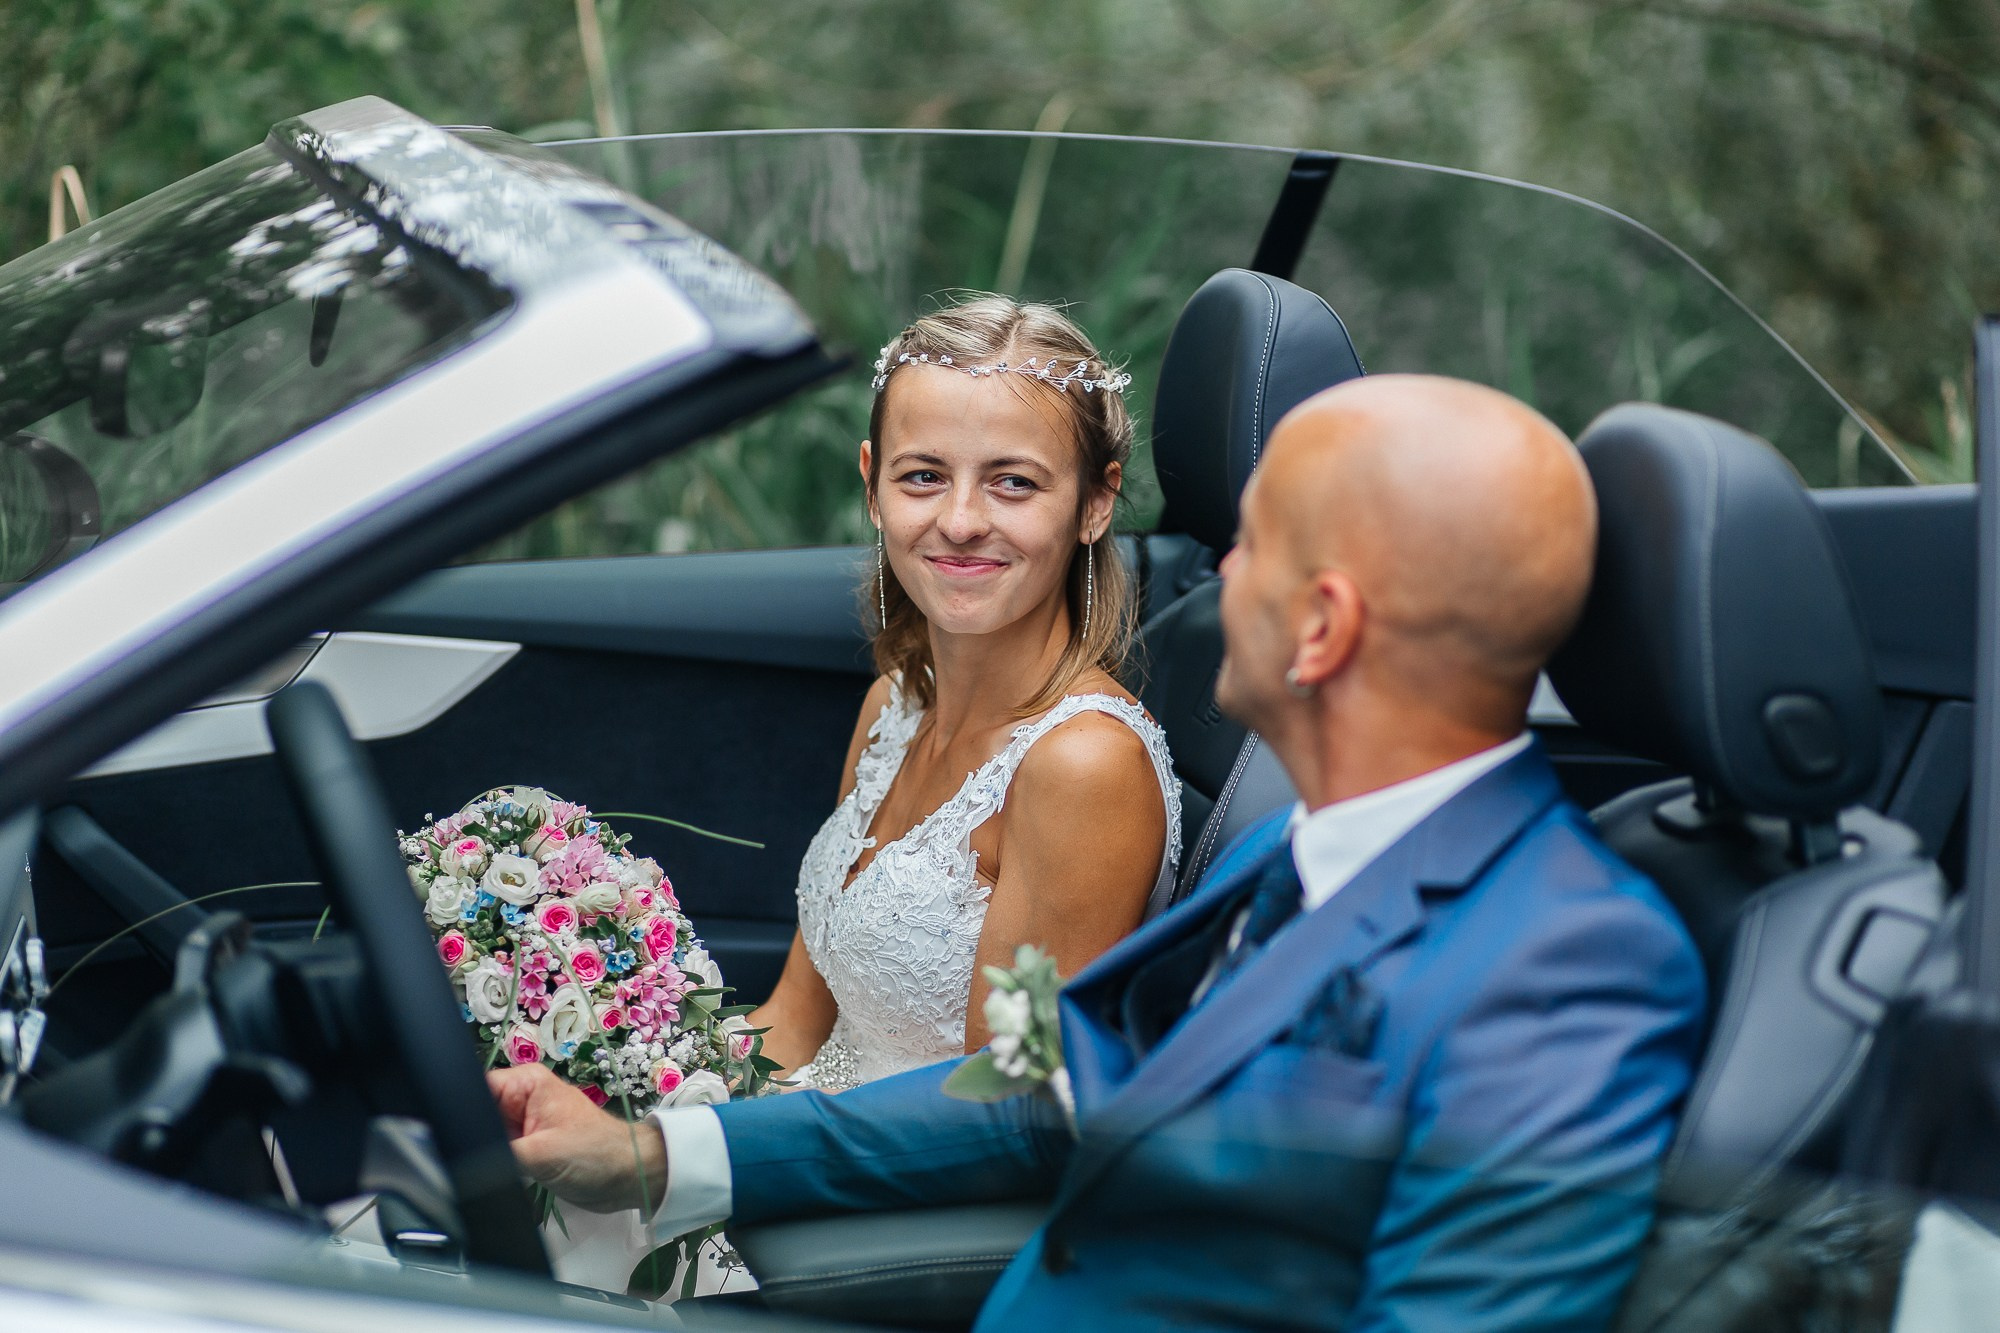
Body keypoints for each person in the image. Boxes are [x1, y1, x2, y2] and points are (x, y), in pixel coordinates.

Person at [491, 374, 1708, 1330]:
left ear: (1323, 624)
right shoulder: (1295, 849)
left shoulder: (1567, 967)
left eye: (1254, 545)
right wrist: (648, 1155)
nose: (1217, 576)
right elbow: (1041, 1094)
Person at [750, 294, 1178, 1090]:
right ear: (873, 486)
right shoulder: (894, 706)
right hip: (800, 1134)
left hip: (908, 1198)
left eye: (1013, 483)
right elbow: (796, 1017)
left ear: (1094, 502)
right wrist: (657, 1104)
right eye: (924, 476)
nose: (961, 519)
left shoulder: (1083, 767)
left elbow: (991, 1109)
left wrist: (719, 1163)